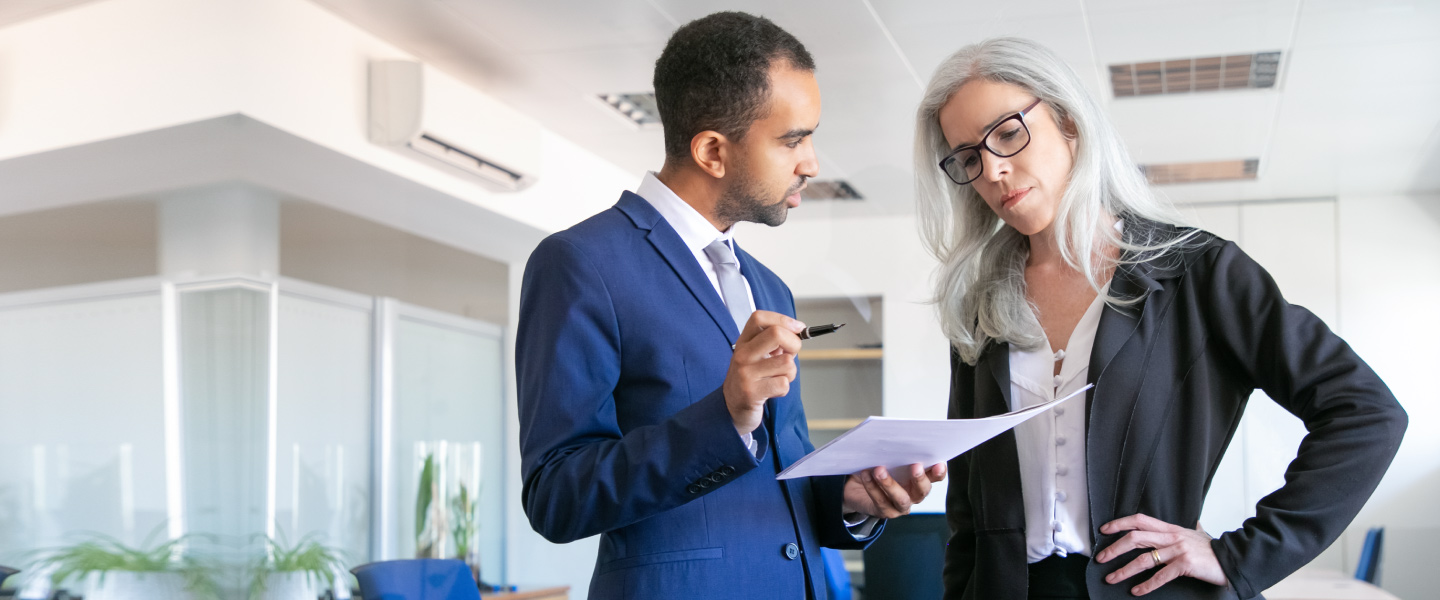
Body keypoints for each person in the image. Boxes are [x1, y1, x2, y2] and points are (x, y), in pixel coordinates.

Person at [913, 38, 1407, 600]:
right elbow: (969, 513)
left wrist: (1243, 555)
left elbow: (1366, 412)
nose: (995, 171)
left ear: (1070, 123)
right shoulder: (982, 304)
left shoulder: (1198, 273)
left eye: (1007, 133)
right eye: (970, 158)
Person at [517, 12, 944, 600]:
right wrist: (726, 415)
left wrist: (848, 495)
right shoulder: (581, 263)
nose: (812, 162)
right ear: (713, 151)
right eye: (793, 139)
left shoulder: (769, 288)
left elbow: (781, 470)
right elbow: (556, 497)